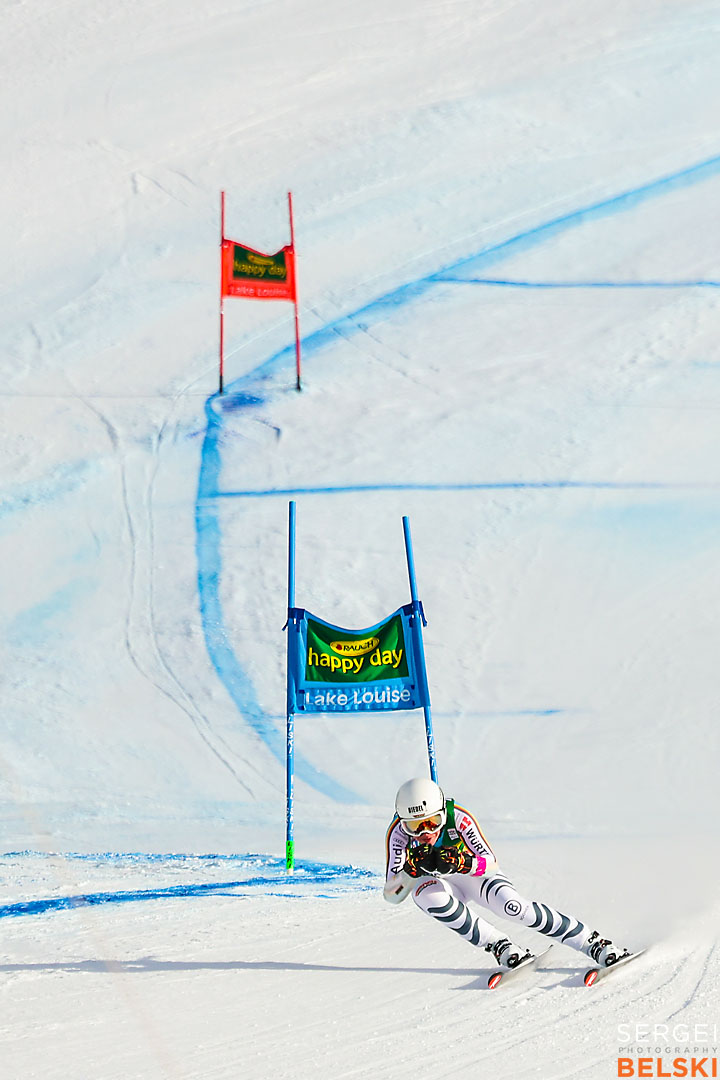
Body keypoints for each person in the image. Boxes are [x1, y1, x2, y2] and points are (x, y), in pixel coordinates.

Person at [384, 777, 629, 970]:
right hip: (443, 886)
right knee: (426, 896)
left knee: (512, 907)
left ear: (442, 812)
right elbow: (392, 895)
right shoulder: (398, 834)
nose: (425, 831)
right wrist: (409, 871)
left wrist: (462, 861)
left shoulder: (458, 817)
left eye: (433, 821)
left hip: (473, 877)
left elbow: (490, 863)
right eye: (415, 826)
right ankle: (499, 946)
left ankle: (593, 943)